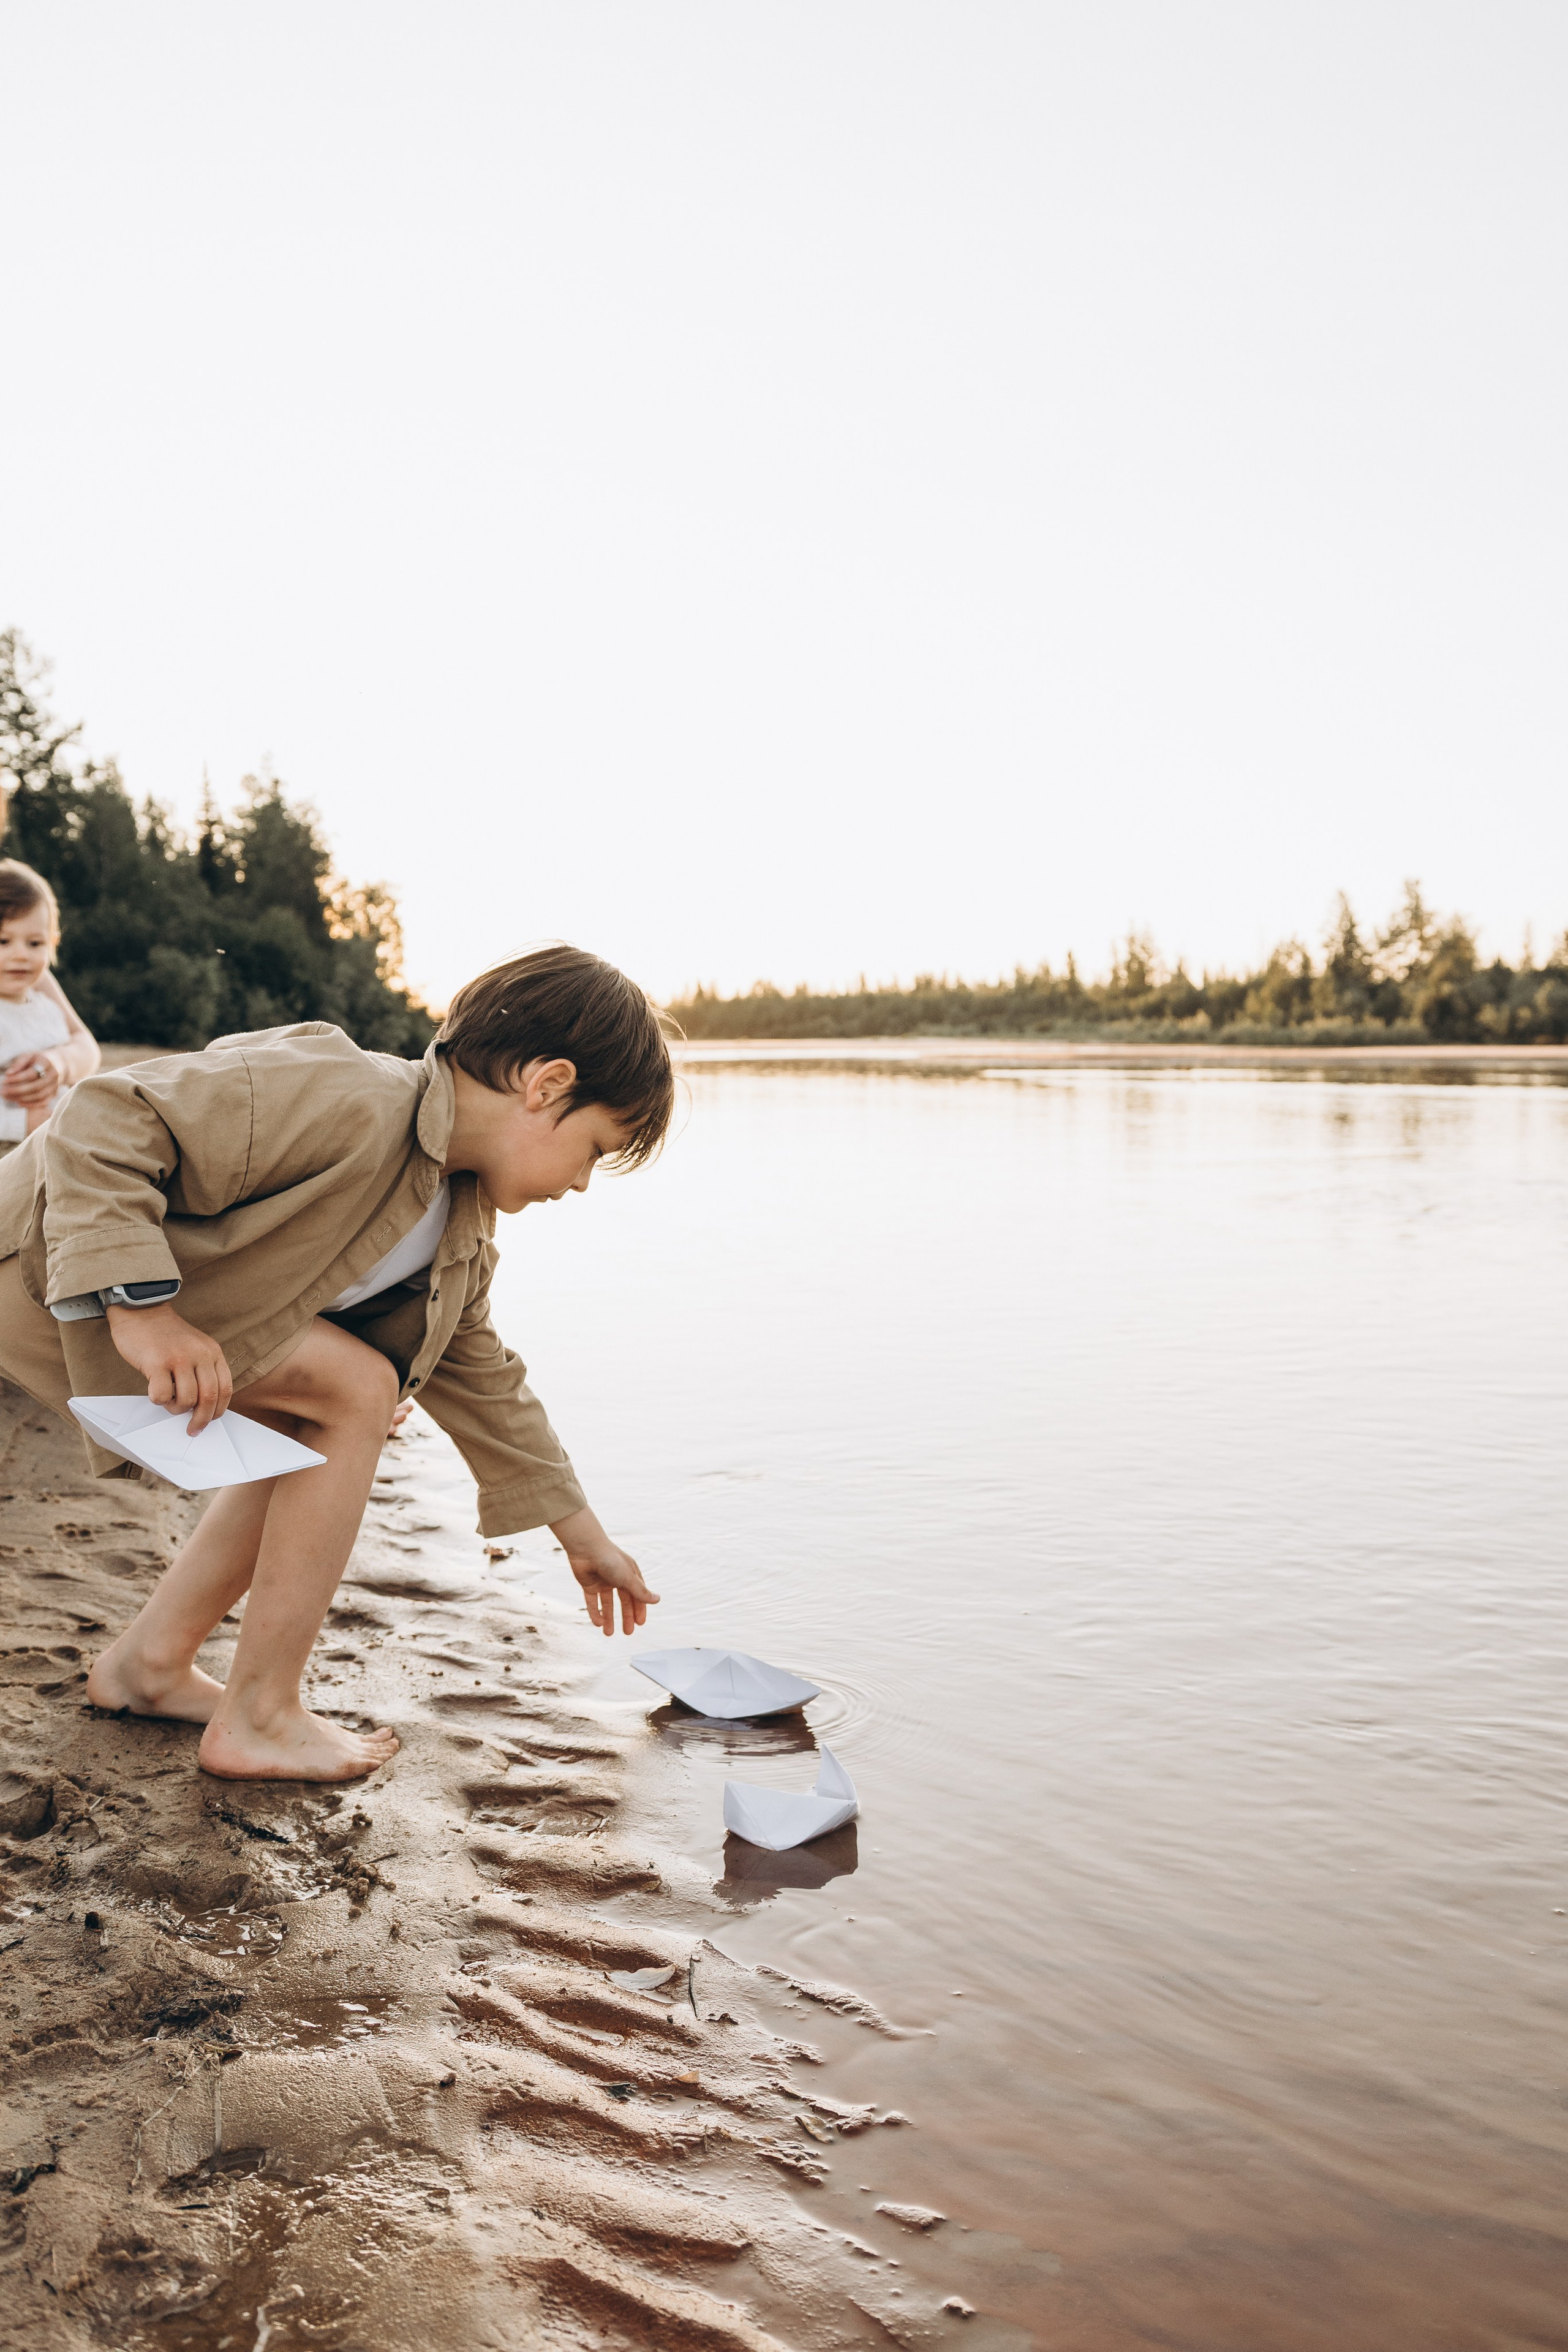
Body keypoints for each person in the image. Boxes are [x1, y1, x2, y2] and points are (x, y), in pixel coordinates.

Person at [0, 945, 668, 1784]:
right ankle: (261, 1713)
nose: (582, 1184)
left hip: (129, 1300)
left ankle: (151, 1666)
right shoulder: (350, 1091)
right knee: (358, 1389)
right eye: (597, 1150)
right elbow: (107, 1115)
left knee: (311, 1412)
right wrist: (144, 1311)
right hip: (42, 1264)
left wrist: (582, 1535)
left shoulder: (457, 1226)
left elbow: (485, 1376)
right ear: (546, 1086)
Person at [0, 859, 101, 1154]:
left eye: (35, 944)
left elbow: (84, 1048)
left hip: (58, 1139)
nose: (21, 955)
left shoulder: (47, 1008)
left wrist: (60, 1062)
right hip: (11, 1147)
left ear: (53, 943)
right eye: (3, 941)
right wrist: (22, 1124)